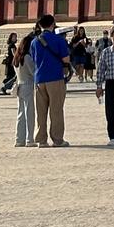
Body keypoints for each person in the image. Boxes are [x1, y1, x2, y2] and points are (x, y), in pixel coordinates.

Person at [30, 14, 72, 148]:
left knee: (40, 111)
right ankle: (57, 139)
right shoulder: (58, 39)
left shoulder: (34, 41)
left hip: (39, 78)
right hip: (55, 77)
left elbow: (33, 58)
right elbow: (66, 59)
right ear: (52, 24)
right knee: (56, 110)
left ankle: (41, 140)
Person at [12, 35, 35, 147]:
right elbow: (33, 72)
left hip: (20, 85)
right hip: (28, 85)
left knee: (20, 114)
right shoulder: (27, 58)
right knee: (29, 113)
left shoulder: (17, 57)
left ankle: (19, 139)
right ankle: (29, 139)